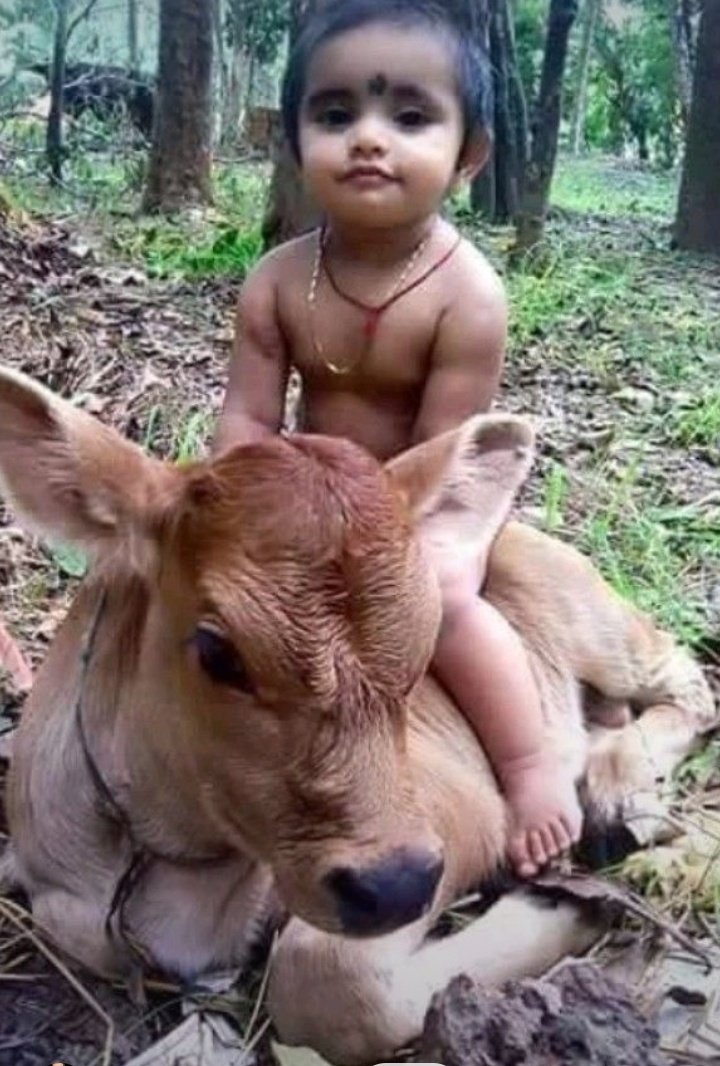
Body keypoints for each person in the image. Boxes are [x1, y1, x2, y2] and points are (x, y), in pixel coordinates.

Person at [215, 0, 582, 877]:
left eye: (410, 116)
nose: (369, 138)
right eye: (336, 114)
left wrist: (382, 545)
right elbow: (247, 421)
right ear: (295, 139)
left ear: (469, 156)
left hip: (429, 502)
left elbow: (446, 456)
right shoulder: (276, 280)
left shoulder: (469, 297)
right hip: (310, 500)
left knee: (448, 602)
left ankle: (531, 767)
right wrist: (245, 515)